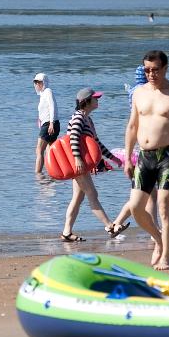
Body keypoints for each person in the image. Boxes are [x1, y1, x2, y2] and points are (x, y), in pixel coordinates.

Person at [113, 49, 169, 270]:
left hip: (168, 155)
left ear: (165, 69)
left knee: (163, 205)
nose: (151, 74)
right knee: (135, 207)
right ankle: (158, 239)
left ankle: (166, 257)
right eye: (147, 70)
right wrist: (127, 158)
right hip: (144, 155)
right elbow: (132, 126)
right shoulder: (139, 94)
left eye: (156, 70)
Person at [60, 88, 121, 242]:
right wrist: (78, 159)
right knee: (92, 195)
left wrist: (113, 158)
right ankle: (110, 227)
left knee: (78, 198)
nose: (97, 100)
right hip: (78, 164)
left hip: (82, 164)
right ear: (86, 102)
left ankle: (66, 232)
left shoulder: (88, 119)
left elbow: (96, 143)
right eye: (95, 98)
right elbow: (73, 138)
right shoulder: (78, 118)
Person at [33, 73, 59, 175]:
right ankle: (52, 173)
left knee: (39, 150)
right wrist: (39, 119)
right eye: (35, 82)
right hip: (49, 123)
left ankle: (38, 174)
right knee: (49, 150)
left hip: (50, 124)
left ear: (44, 82)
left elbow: (52, 107)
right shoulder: (43, 94)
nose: (37, 84)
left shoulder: (48, 91)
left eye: (39, 82)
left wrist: (51, 123)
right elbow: (45, 110)